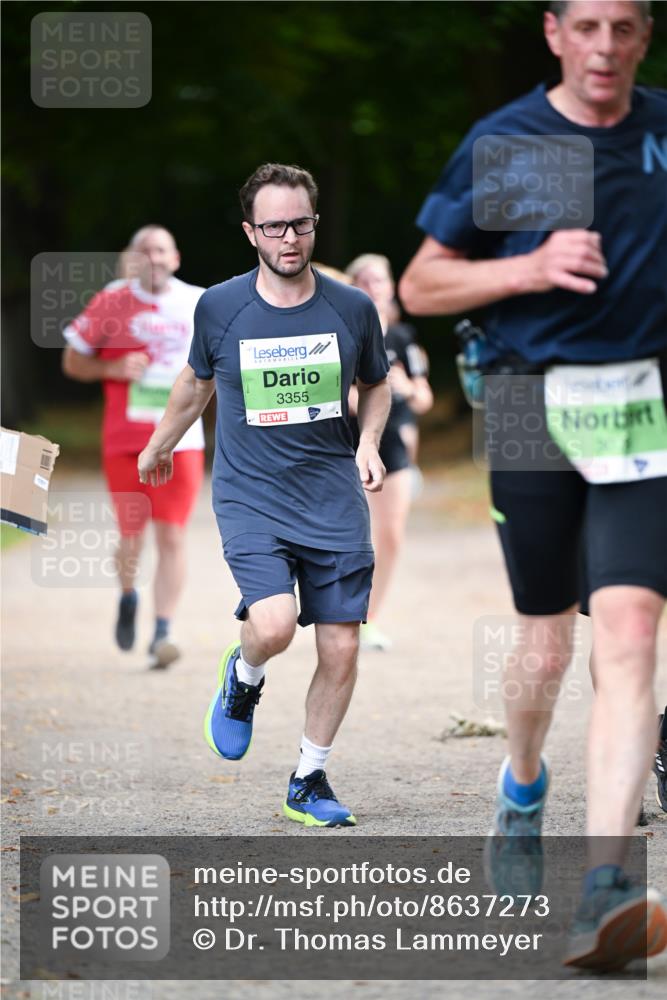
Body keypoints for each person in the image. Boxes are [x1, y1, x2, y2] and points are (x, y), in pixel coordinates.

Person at [400, 0, 667, 972]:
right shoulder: (509, 143)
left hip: (640, 401)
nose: (605, 47)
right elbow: (422, 287)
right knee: (547, 644)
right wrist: (530, 268)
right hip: (522, 398)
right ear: (553, 32)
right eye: (586, 26)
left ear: (644, 37)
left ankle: (608, 880)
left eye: (625, 28)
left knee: (631, 625)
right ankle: (519, 788)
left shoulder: (662, 133)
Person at [138, 163, 391, 827]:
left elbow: (377, 384)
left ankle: (308, 779)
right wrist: (161, 442)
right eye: (275, 226)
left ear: (313, 224)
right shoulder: (220, 307)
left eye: (300, 224)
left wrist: (367, 444)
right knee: (274, 626)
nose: (290, 238)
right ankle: (244, 676)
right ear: (251, 231)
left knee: (340, 648)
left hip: (333, 495)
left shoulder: (351, 307)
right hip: (252, 495)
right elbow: (196, 383)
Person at [62, 226, 206, 669]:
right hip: (125, 439)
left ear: (176, 258)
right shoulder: (112, 299)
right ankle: (128, 596)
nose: (155, 258)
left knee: (173, 533)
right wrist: (115, 366)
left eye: (162, 250)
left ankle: (163, 630)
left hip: (181, 440)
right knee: (131, 535)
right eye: (146, 251)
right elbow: (72, 361)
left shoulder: (200, 301)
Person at [345, 254, 433, 650]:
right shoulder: (342, 334)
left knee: (391, 535)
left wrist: (408, 388)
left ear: (390, 287)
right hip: (347, 441)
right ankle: (340, 613)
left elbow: (424, 398)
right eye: (363, 280)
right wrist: (366, 402)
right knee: (351, 535)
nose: (372, 286)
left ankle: (369, 618)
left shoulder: (402, 338)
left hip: (392, 443)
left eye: (378, 280)